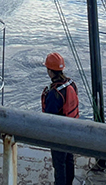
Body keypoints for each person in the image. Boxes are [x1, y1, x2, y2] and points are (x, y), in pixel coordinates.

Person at [41, 52, 79, 185]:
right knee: (69, 158)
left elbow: (50, 117)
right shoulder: (71, 84)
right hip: (72, 129)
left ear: (50, 71)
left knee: (59, 164)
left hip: (59, 132)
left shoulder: (54, 93)